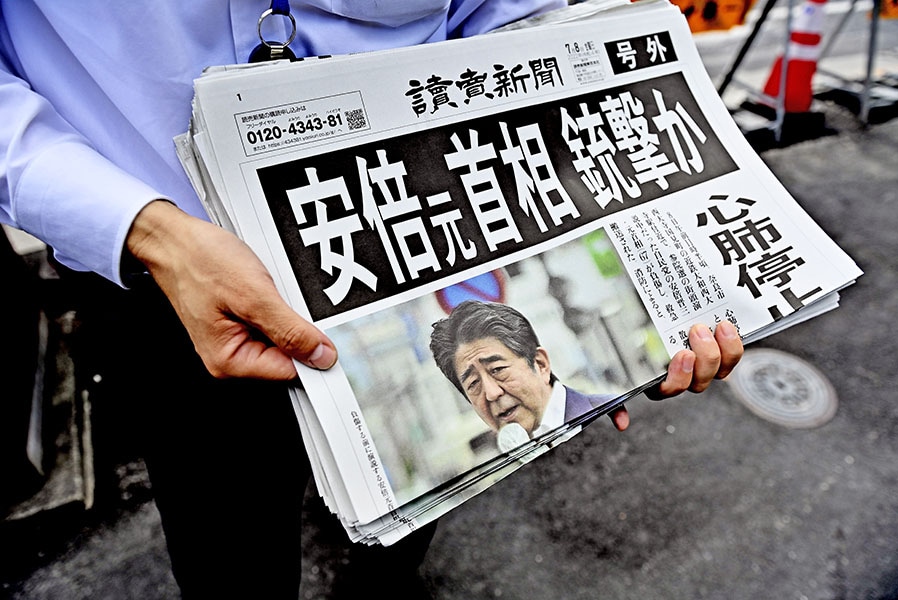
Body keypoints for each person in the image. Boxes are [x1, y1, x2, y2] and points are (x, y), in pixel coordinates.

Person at [0, 2, 743, 598]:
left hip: (411, 242)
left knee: (410, 504)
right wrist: (144, 230)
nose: (493, 387)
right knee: (227, 542)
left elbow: (510, 20)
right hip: (161, 277)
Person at [430, 300, 741, 439]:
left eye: (497, 369)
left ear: (540, 364)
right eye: (472, 384)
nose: (492, 392)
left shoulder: (609, 414)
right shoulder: (502, 455)